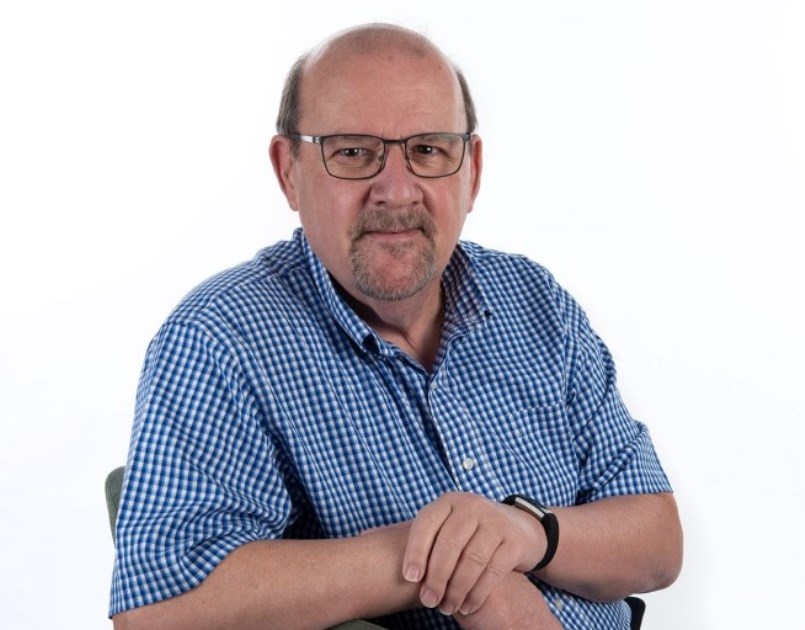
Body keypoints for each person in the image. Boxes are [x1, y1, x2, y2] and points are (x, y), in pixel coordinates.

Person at [109, 23, 682, 630]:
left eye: (429, 149)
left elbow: (658, 540)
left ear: (473, 170)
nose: (397, 188)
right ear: (288, 171)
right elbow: (158, 613)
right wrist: (443, 563)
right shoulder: (220, 340)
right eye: (353, 152)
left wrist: (523, 532)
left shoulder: (536, 302)